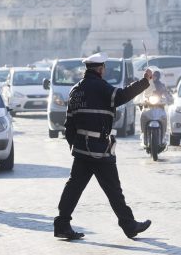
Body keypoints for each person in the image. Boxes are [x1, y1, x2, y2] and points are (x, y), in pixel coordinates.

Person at [54, 52, 153, 240]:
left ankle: (62, 225)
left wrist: (75, 147)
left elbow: (69, 124)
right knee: (114, 189)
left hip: (82, 150)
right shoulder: (101, 87)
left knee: (73, 188)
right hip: (99, 150)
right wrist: (145, 81)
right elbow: (123, 95)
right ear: (100, 69)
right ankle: (129, 225)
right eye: (104, 68)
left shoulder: (75, 90)